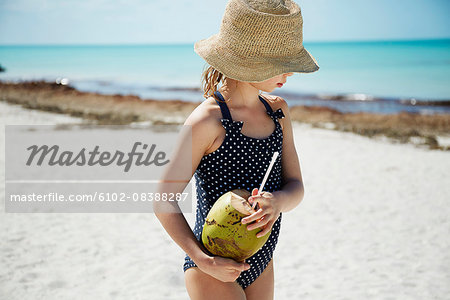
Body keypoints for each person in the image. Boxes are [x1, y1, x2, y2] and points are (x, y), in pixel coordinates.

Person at [155, 0, 319, 299]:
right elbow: (162, 200)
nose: (291, 73)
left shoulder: (277, 111)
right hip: (212, 265)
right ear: (251, 62)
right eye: (283, 64)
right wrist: (204, 261)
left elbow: (296, 187)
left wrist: (278, 202)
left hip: (262, 259)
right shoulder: (208, 121)